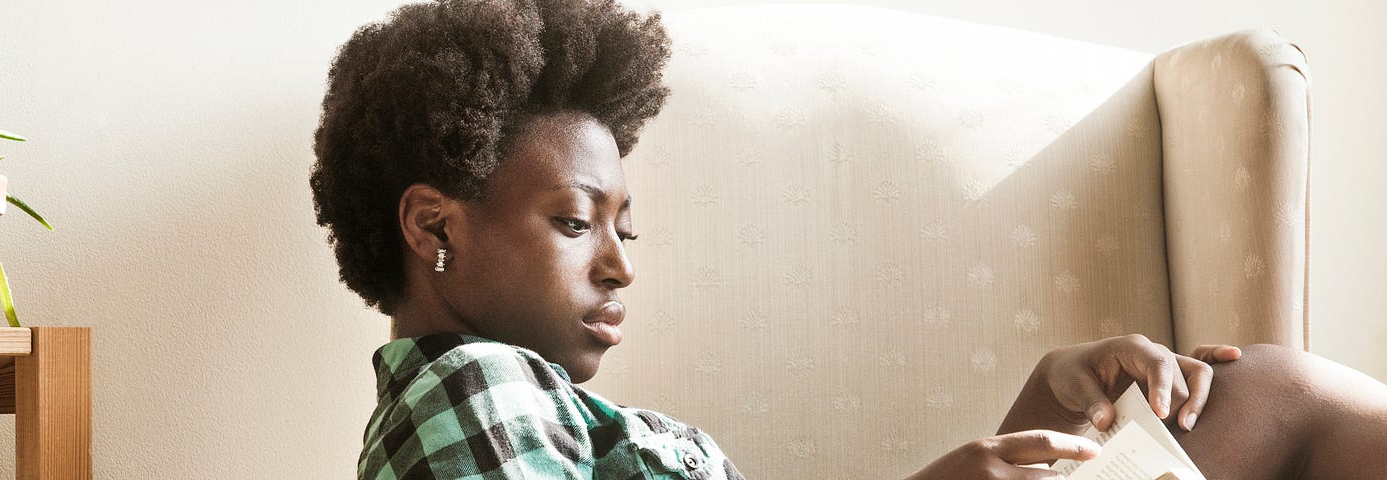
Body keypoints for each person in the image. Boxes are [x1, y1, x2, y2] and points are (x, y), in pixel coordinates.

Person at [310, 0, 1387, 478]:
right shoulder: (465, 396)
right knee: (1276, 404)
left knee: (1262, 403)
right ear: (430, 225)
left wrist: (1049, 400)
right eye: (573, 221)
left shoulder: (535, 407)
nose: (619, 261)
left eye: (624, 227)